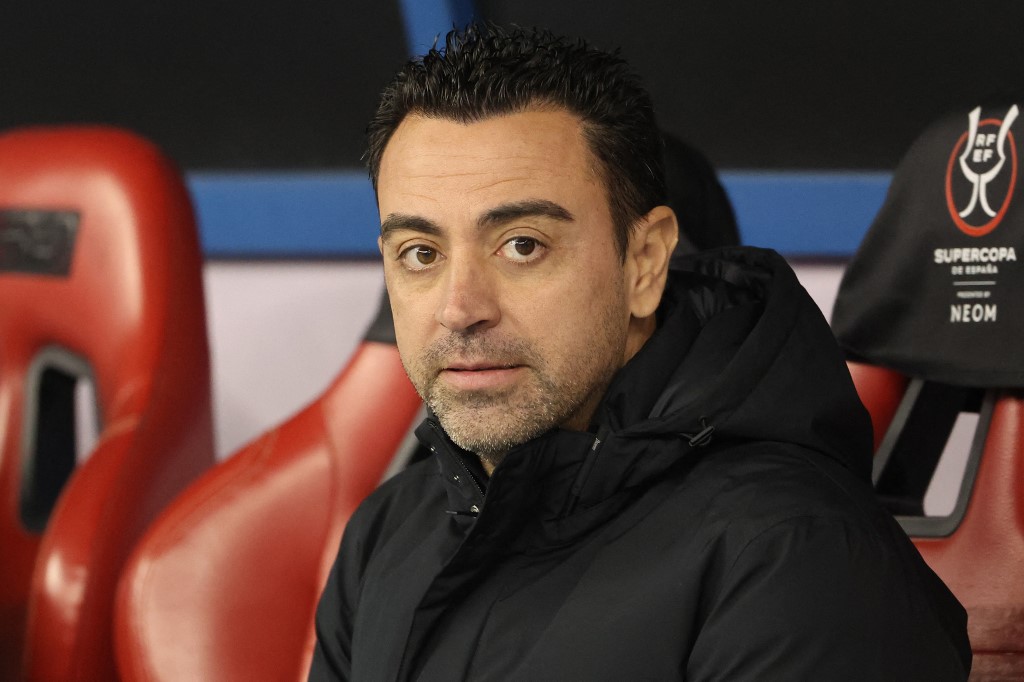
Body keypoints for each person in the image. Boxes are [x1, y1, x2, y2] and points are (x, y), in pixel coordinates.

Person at [309, 24, 971, 681]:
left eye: (522, 245)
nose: (460, 308)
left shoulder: (798, 559)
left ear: (646, 262)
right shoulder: (384, 534)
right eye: (420, 254)